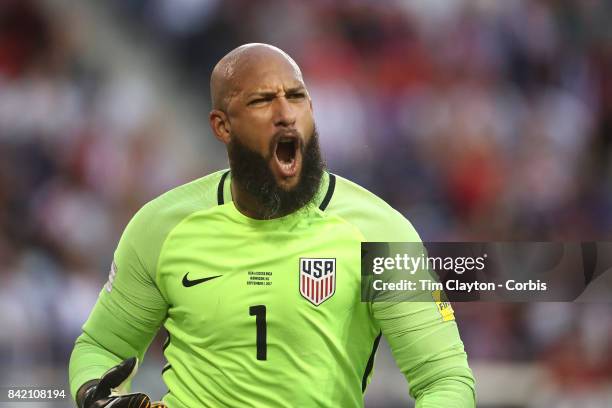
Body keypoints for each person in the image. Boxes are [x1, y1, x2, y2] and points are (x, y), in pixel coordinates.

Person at [69, 43, 475, 408]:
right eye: (263, 101)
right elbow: (101, 346)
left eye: (297, 97)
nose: (285, 114)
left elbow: (444, 378)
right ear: (222, 126)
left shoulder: (382, 233)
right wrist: (94, 395)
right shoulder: (161, 227)